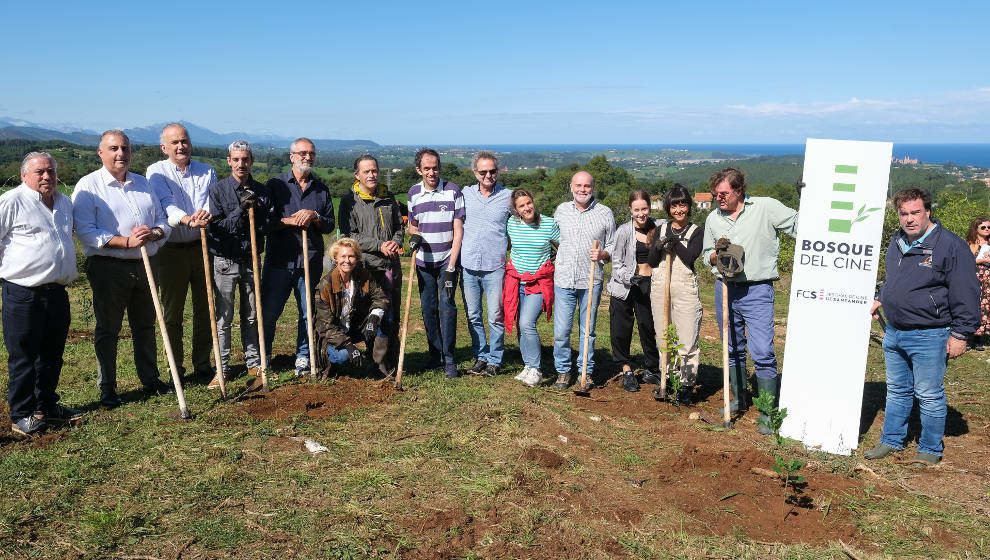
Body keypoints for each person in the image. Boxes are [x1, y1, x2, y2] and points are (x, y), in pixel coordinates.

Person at [865, 189, 980, 465]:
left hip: (930, 334)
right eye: (904, 214)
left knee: (928, 394)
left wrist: (960, 334)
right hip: (894, 331)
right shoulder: (896, 241)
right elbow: (895, 278)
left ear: (928, 211)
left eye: (915, 212)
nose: (910, 219)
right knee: (897, 390)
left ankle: (929, 449)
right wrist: (882, 297)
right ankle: (891, 440)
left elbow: (966, 291)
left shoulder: (951, 246)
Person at [72, 130, 173, 407]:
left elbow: (163, 220)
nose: (121, 154)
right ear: (100, 153)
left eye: (125, 148)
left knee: (145, 325)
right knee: (109, 329)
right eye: (114, 148)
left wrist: (153, 232)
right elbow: (86, 232)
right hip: (109, 267)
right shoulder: (88, 186)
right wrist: (126, 241)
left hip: (147, 264)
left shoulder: (143, 183)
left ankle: (150, 380)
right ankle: (108, 388)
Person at [701, 167, 797, 433]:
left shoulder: (766, 207)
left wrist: (810, 198)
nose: (718, 198)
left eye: (724, 193)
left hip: (757, 290)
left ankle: (767, 410)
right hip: (726, 288)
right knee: (731, 349)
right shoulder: (713, 219)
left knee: (763, 352)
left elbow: (799, 225)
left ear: (739, 190)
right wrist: (717, 255)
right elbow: (706, 254)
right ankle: (738, 399)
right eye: (715, 194)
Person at [0, 152, 81, 435]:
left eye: (50, 171)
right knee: (23, 356)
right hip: (23, 293)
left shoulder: (64, 202)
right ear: (24, 175)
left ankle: (47, 405)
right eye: (39, 172)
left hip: (57, 291)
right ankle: (21, 413)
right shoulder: (11, 202)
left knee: (52, 354)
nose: (47, 176)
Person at [147, 123, 217, 382]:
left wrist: (204, 214)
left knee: (205, 308)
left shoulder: (207, 170)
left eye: (184, 141)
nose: (181, 146)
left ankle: (202, 364)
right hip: (171, 250)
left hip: (202, 247)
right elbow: (166, 204)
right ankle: (175, 368)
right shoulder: (156, 172)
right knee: (172, 312)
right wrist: (187, 219)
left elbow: (212, 201)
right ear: (164, 147)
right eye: (174, 142)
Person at [262, 138, 335, 376]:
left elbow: (329, 226)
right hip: (280, 261)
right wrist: (289, 221)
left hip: (310, 261)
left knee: (307, 313)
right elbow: (265, 223)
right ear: (291, 156)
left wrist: (314, 216)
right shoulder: (275, 185)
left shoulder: (321, 190)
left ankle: (304, 356)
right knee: (270, 312)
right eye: (302, 153)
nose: (307, 157)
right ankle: (264, 358)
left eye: (311, 153)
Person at [205, 140, 271, 388]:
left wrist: (259, 212)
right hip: (225, 260)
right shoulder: (218, 190)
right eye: (236, 159)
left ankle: (254, 364)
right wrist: (241, 211)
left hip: (252, 259)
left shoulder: (262, 190)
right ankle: (221, 369)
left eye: (245, 159)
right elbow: (218, 228)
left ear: (251, 161)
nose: (241, 164)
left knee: (252, 315)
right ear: (229, 161)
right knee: (224, 317)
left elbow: (266, 226)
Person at [338, 154, 405, 376]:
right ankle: (373, 362)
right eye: (366, 171)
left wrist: (395, 242)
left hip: (390, 266)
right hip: (365, 268)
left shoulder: (388, 198)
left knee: (390, 315)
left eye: (374, 170)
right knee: (369, 315)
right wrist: (379, 245)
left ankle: (389, 363)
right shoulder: (350, 201)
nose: (371, 175)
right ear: (357, 175)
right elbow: (349, 235)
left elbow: (399, 226)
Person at [552, 171, 616, 390]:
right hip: (563, 278)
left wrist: (603, 255)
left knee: (587, 329)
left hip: (591, 279)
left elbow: (612, 247)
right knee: (561, 330)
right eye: (578, 185)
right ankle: (562, 370)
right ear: (571, 187)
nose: (582, 189)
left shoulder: (605, 213)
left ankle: (585, 371)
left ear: (593, 187)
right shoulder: (561, 210)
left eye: (587, 186)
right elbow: (554, 239)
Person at [406, 148, 464, 379]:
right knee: (428, 309)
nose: (432, 172)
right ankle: (435, 355)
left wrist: (451, 266)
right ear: (419, 170)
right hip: (423, 263)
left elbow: (458, 230)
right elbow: (413, 226)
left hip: (446, 261)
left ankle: (449, 359)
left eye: (435, 167)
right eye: (427, 168)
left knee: (446, 308)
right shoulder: (413, 193)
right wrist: (413, 237)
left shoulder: (452, 191)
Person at [647, 184, 704, 403]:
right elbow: (652, 262)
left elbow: (690, 257)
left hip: (685, 290)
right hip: (661, 287)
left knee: (687, 340)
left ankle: (686, 386)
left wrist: (676, 244)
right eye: (674, 206)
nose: (678, 210)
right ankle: (667, 382)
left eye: (682, 204)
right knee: (663, 338)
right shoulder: (661, 229)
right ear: (668, 208)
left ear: (688, 206)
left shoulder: (696, 231)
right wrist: (658, 247)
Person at [460, 151, 513, 377]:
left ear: (497, 171)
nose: (488, 175)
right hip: (469, 264)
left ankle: (495, 359)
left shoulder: (508, 197)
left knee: (495, 316)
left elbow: (524, 220)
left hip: (495, 266)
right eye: (483, 172)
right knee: (473, 315)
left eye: (492, 171)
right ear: (475, 173)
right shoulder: (464, 194)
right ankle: (480, 356)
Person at [606, 190, 662, 393]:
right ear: (630, 210)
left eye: (644, 208)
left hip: (649, 285)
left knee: (649, 327)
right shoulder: (622, 231)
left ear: (649, 207)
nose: (641, 213)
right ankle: (626, 369)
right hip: (625, 286)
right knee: (621, 328)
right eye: (637, 210)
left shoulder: (658, 229)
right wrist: (629, 277)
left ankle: (652, 368)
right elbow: (617, 263)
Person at [503, 189, 559, 387]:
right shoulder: (512, 223)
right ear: (516, 210)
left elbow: (563, 245)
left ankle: (536, 369)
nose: (527, 208)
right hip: (516, 281)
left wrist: (555, 263)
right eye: (521, 206)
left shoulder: (548, 224)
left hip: (538, 282)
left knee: (527, 323)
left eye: (529, 203)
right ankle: (527, 365)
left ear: (533, 202)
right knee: (520, 324)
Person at [313, 238, 390, 377]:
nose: (347, 260)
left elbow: (380, 297)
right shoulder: (326, 285)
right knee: (343, 356)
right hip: (331, 335)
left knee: (384, 318)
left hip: (353, 327)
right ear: (335, 258)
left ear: (357, 258)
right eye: (343, 256)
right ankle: (331, 361)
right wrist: (348, 346)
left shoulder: (363, 275)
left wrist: (374, 317)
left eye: (351, 256)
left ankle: (378, 365)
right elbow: (326, 326)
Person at [964, 216, 990, 350]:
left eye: (989, 227)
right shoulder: (969, 242)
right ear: (976, 228)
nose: (987, 229)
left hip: (988, 282)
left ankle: (979, 338)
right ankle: (968, 338)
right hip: (973, 279)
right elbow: (964, 261)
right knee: (971, 306)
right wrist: (980, 261)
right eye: (983, 227)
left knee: (985, 308)